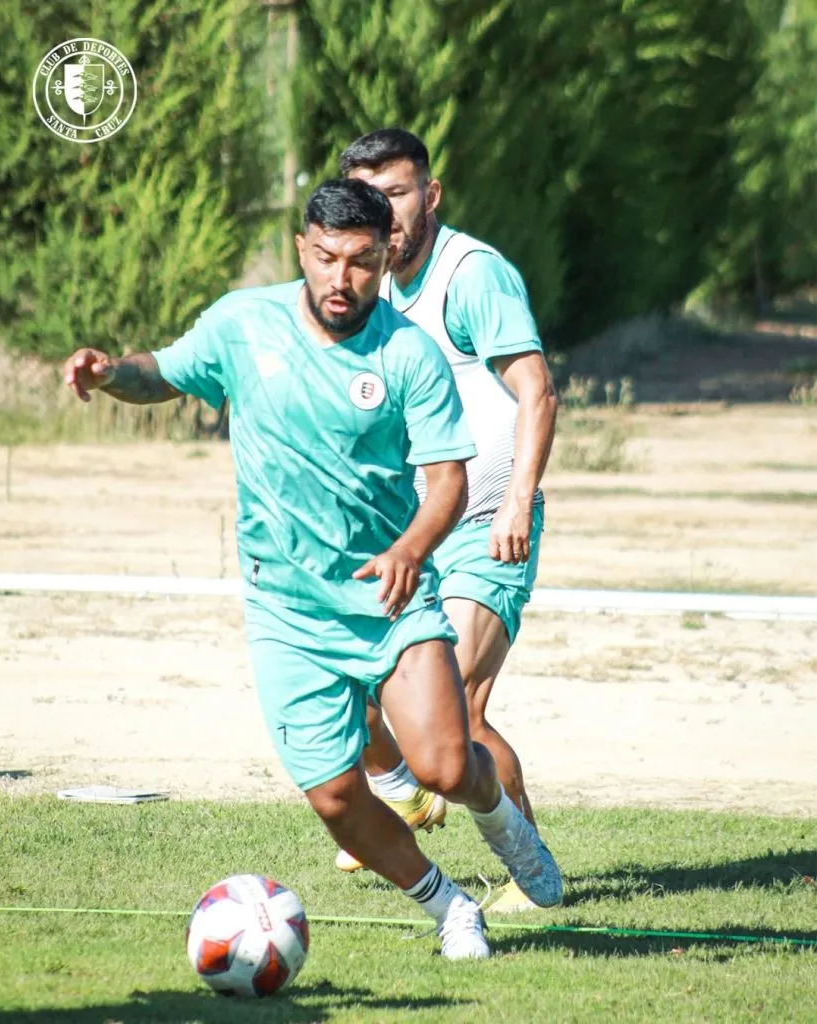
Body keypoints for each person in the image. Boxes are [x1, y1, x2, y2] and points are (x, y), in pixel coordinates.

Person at [62, 177, 562, 959]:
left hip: (388, 597)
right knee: (334, 796)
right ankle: (450, 908)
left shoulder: (408, 353)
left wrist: (408, 550)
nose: (340, 278)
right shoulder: (241, 324)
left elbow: (448, 484)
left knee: (441, 763)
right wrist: (107, 372)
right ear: (301, 248)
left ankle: (504, 825)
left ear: (385, 258)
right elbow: (162, 371)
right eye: (326, 257)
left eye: (360, 261)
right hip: (286, 611)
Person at [339, 130, 559, 912]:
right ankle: (405, 789)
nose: (385, 212)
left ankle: (528, 872)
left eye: (397, 194)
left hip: (488, 525)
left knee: (457, 706)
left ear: (429, 195)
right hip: (414, 534)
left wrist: (518, 501)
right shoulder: (366, 289)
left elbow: (536, 391)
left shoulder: (471, 276)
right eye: (369, 198)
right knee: (360, 687)